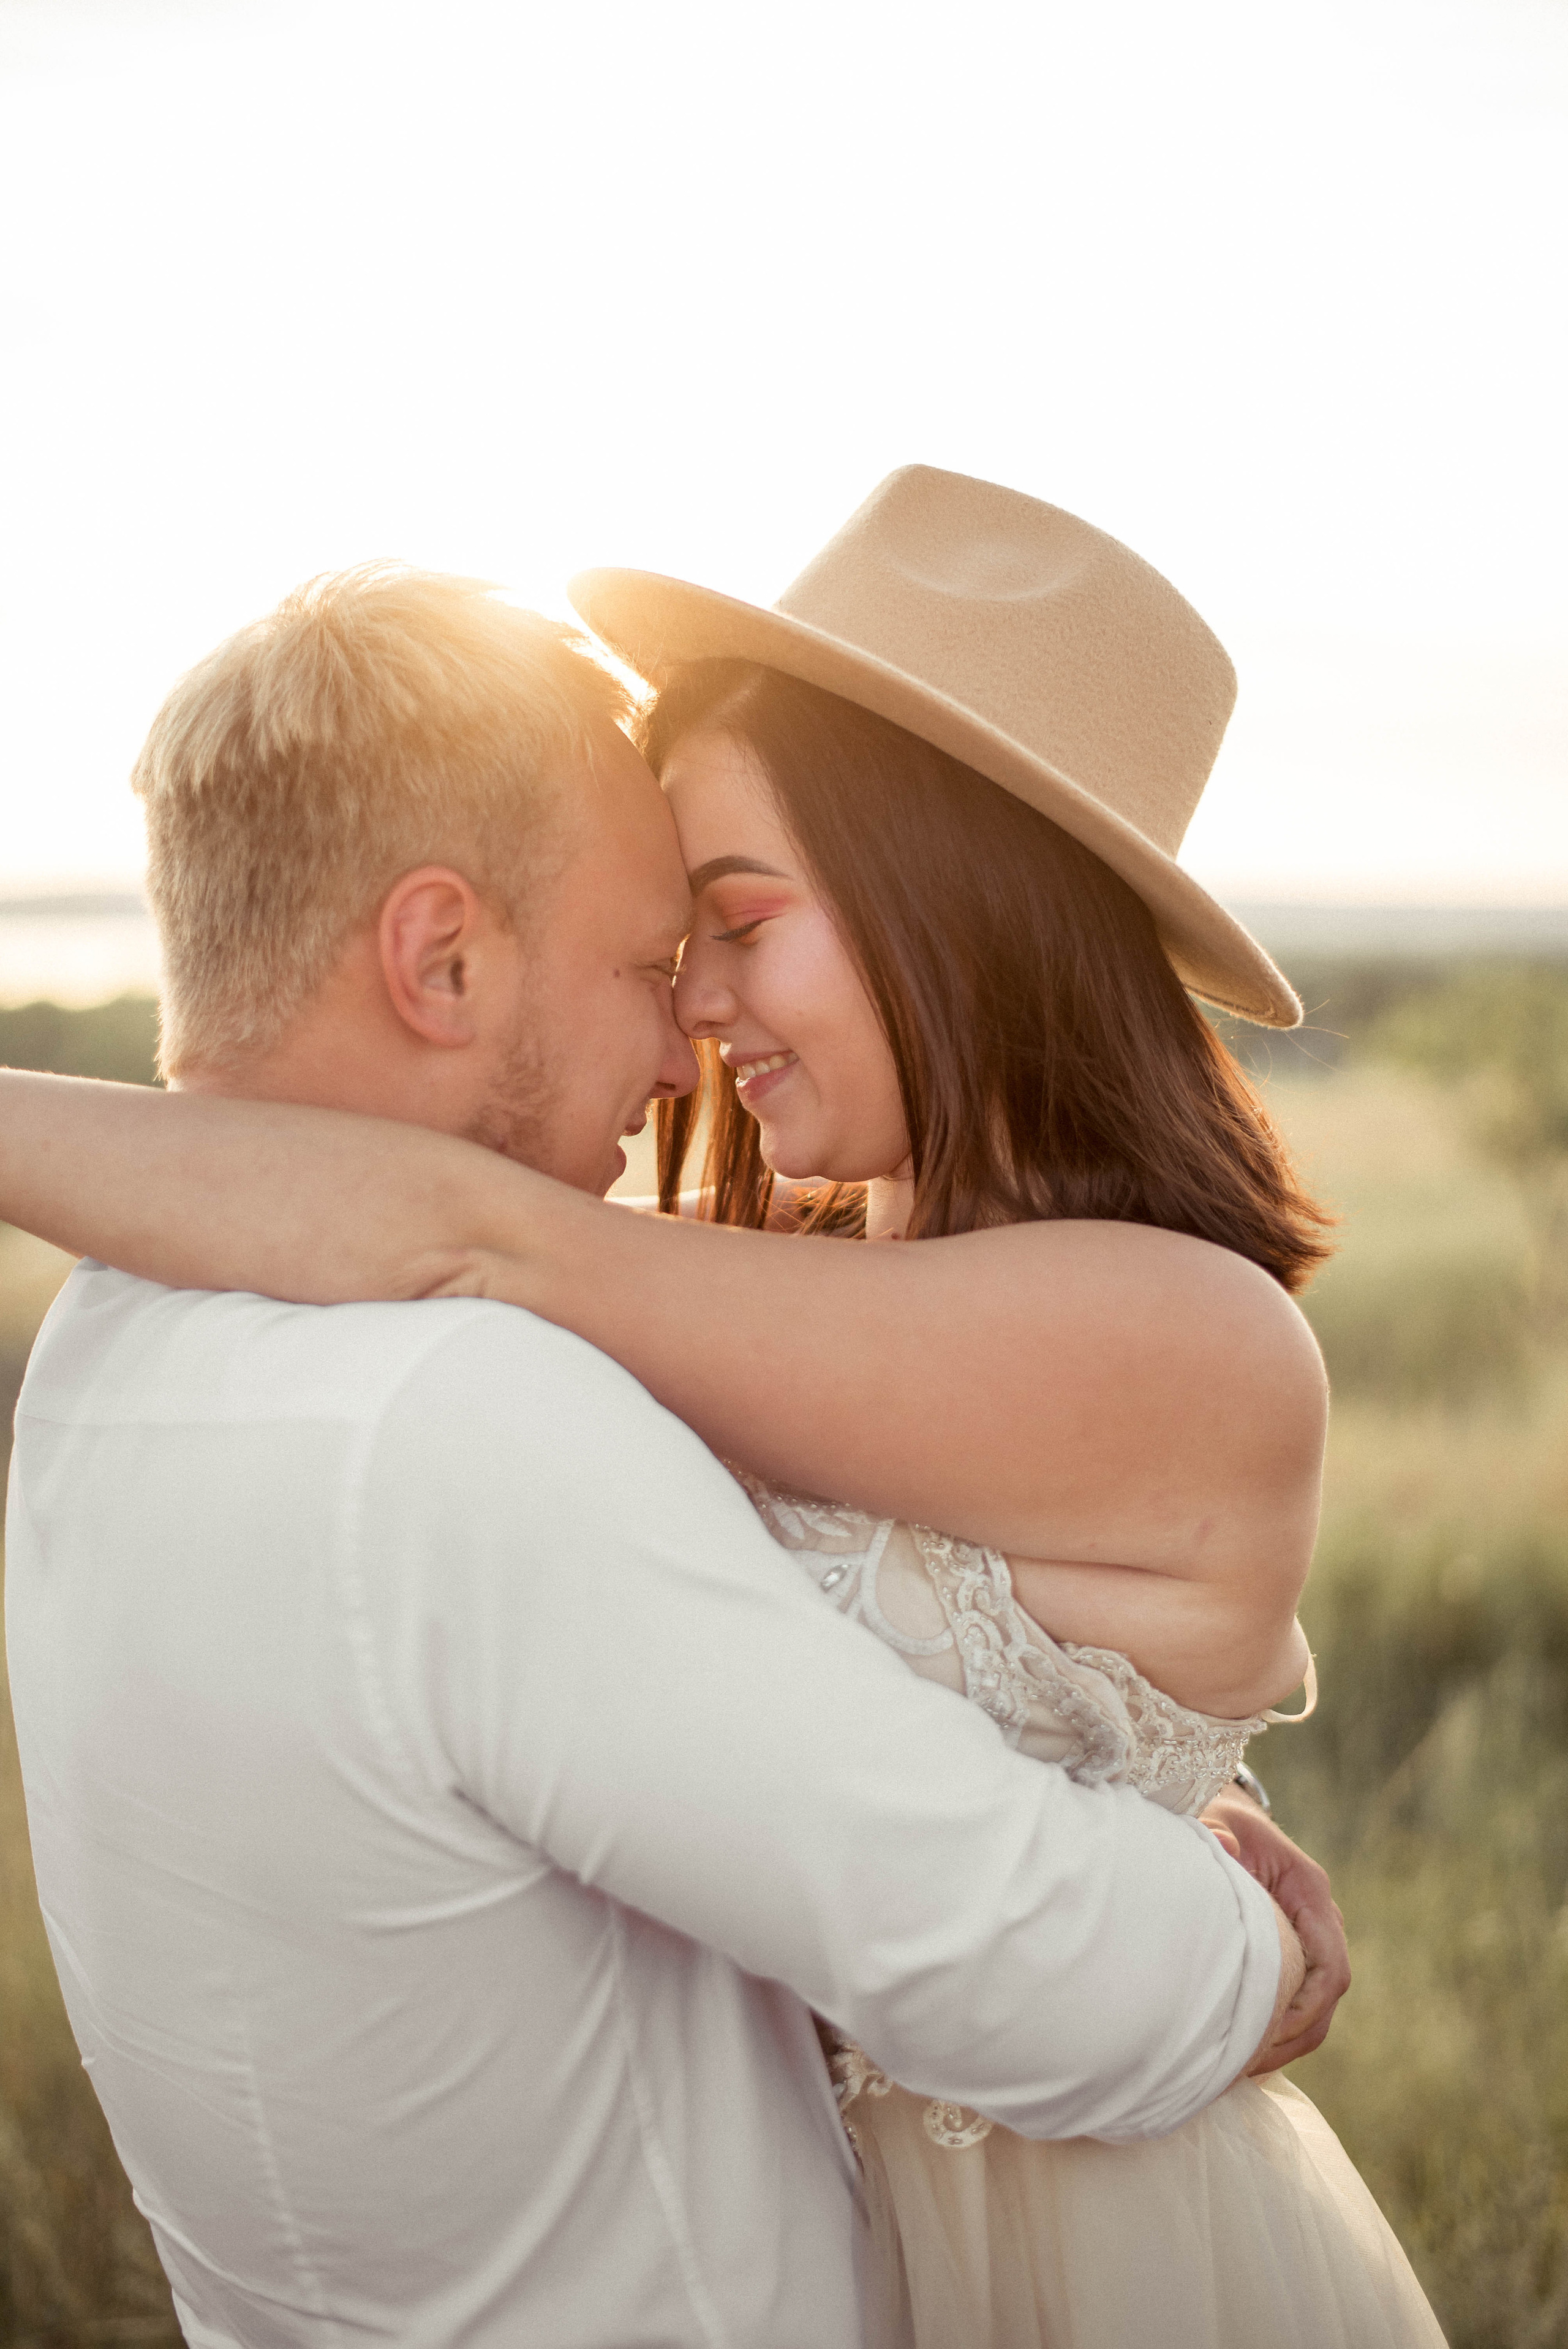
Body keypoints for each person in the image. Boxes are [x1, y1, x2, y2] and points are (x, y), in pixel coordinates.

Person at [0, 554, 1330, 2349]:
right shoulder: (614, 1350)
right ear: (442, 953)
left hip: (1094, 2247)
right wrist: (1221, 1908)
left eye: (735, 920)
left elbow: (458, 1228)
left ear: (953, 908)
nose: (694, 1006)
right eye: (668, 944)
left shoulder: (112, 1350)